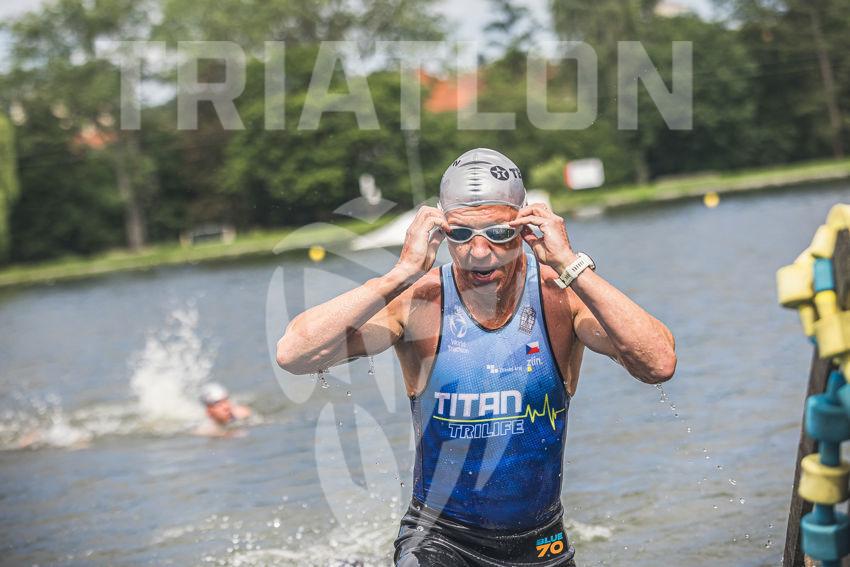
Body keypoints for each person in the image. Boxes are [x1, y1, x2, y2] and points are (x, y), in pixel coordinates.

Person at [276, 148, 677, 566]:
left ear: (525, 226)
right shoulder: (418, 302)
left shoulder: (560, 297)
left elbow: (658, 363)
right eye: (462, 234)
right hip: (439, 539)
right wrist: (401, 273)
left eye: (499, 233)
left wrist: (569, 263)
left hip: (540, 543)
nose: (479, 251)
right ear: (441, 231)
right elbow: (294, 354)